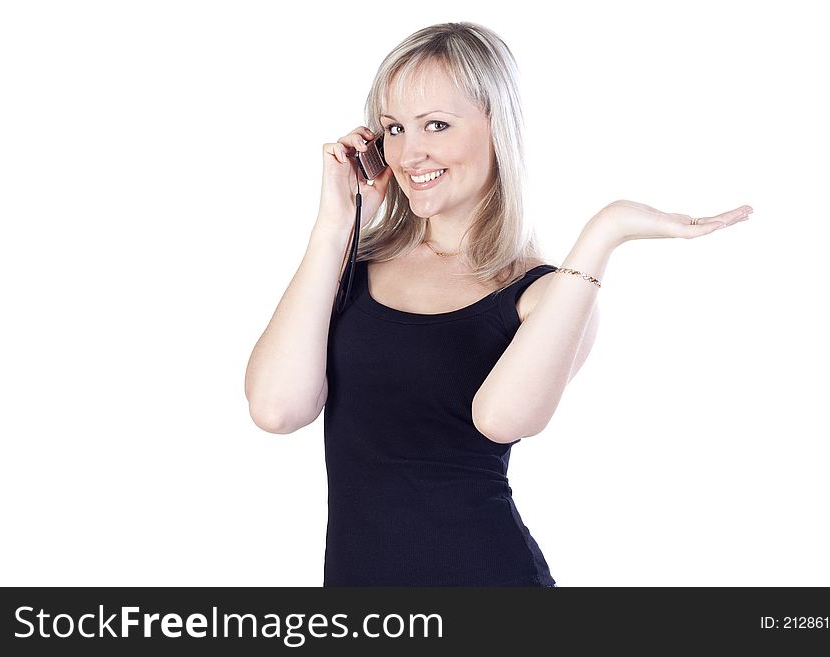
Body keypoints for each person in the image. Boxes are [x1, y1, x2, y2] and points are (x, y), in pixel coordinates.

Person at [244, 21, 752, 586]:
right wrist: (335, 223)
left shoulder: (544, 294)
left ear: (496, 129)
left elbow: (502, 419)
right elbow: (276, 408)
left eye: (437, 124)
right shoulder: (348, 269)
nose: (411, 152)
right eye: (393, 129)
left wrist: (605, 231)